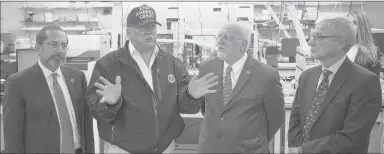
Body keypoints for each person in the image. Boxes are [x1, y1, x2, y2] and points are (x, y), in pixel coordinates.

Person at [85, 4, 217, 153]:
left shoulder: (172, 63)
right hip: (124, 150)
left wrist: (191, 96)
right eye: (142, 29)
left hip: (165, 148)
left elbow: (186, 107)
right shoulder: (107, 65)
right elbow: (96, 110)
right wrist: (111, 103)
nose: (149, 33)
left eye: (153, 28)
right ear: (129, 33)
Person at [287, 16, 382, 153]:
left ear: (341, 42)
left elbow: (352, 137)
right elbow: (296, 119)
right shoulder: (307, 76)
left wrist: (304, 150)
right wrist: (295, 147)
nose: (311, 42)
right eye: (312, 36)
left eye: (319, 37)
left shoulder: (365, 82)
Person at [2, 25, 94, 153]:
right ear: (38, 48)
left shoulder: (78, 77)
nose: (60, 50)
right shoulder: (18, 83)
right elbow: (12, 135)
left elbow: (86, 124)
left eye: (64, 45)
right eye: (53, 44)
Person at [196, 23, 285, 153]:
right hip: (210, 148)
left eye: (227, 38)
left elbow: (277, 118)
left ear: (243, 45)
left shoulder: (267, 75)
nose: (219, 41)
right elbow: (204, 106)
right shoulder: (207, 68)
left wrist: (253, 141)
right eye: (219, 36)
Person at [347, 10, 381, 76]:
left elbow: (373, 82)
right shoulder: (337, 49)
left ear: (362, 27)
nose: (348, 26)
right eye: (347, 23)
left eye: (353, 23)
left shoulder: (372, 53)